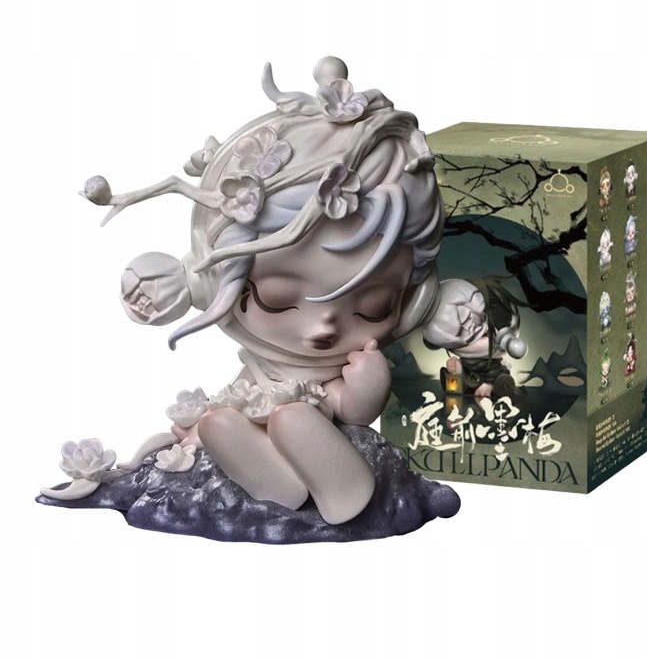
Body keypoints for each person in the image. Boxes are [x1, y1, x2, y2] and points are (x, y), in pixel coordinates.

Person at [80, 57, 484, 525]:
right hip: (256, 425)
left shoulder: (343, 364)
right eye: (276, 299)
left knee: (295, 418)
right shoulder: (256, 360)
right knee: (220, 422)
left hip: (318, 420)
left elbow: (351, 411)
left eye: (373, 307)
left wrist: (368, 386)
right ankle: (278, 487)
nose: (323, 324)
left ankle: (346, 488)